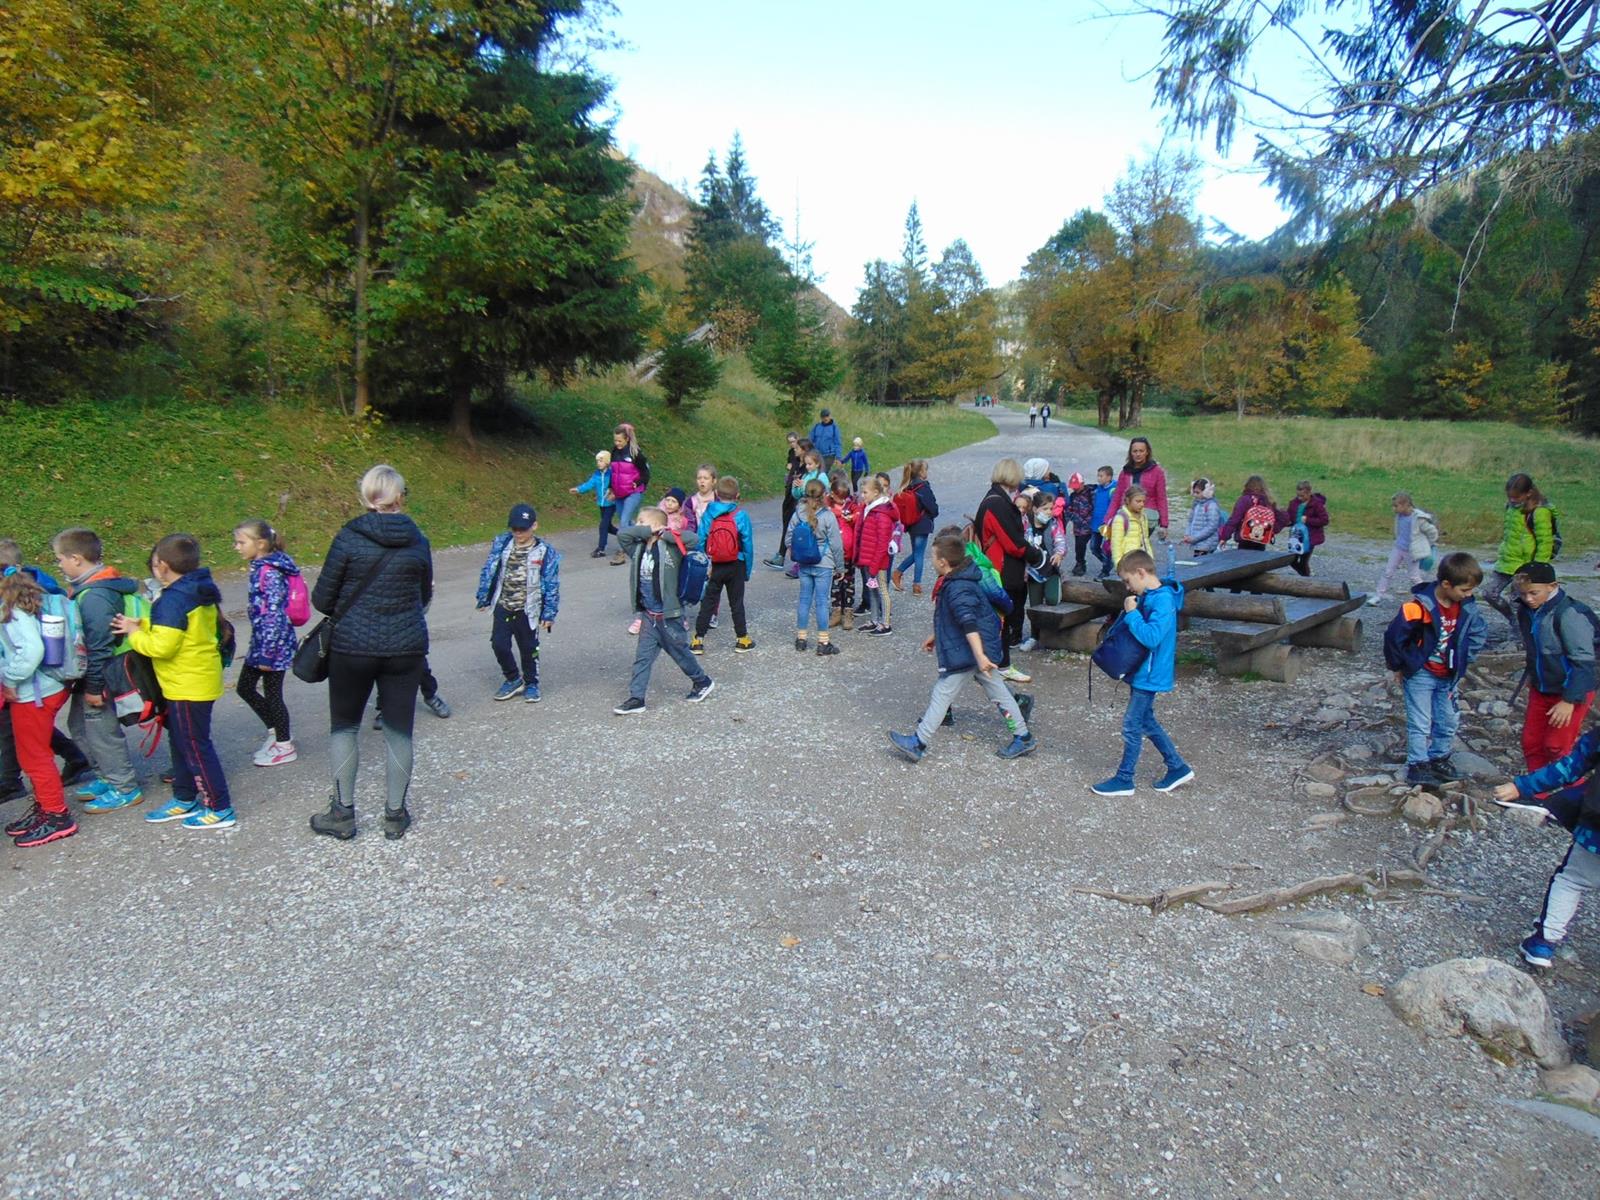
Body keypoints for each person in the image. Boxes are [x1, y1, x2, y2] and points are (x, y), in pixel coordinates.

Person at [305, 465, 433, 842]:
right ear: (400, 497)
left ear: (365, 496)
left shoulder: (348, 538)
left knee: (345, 726)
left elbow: (322, 600)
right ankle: (394, 815)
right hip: (406, 647)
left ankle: (342, 813)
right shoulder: (418, 540)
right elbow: (424, 595)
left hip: (351, 648)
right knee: (399, 731)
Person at [110, 533, 235, 830]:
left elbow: (162, 647)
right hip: (194, 679)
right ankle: (184, 796)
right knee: (181, 741)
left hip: (187, 685)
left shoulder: (173, 599)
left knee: (195, 746)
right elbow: (179, 629)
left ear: (162, 565)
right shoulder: (195, 588)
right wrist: (143, 624)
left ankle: (219, 807)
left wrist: (134, 634)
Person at [887, 532, 1036, 762]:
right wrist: (936, 635)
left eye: (933, 557)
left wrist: (979, 655)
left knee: (943, 692)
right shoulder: (959, 579)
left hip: (972, 650)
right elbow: (955, 618)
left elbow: (968, 622)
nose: (931, 560)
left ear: (943, 562)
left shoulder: (958, 587)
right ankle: (1023, 737)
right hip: (978, 647)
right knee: (998, 691)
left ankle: (918, 742)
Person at [50, 527, 143, 811]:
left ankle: (124, 786)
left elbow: (100, 646)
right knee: (79, 725)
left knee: (101, 730)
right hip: (94, 674)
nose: (59, 565)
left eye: (60, 559)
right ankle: (105, 776)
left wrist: (94, 687)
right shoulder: (89, 588)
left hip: (103, 675)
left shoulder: (95, 596)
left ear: (76, 559)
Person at [1491, 732, 1600, 969]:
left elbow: (1570, 767)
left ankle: (1544, 942)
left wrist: (1522, 786)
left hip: (1596, 834)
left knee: (1571, 881)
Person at [1090, 549, 1194, 796]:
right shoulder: (1152, 596)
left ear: (1140, 572)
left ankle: (1125, 779)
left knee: (1131, 725)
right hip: (1143, 672)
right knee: (1146, 721)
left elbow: (1152, 637)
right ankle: (1177, 767)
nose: (1128, 587)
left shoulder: (1163, 600)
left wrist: (1131, 614)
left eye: (1128, 581)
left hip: (1150, 674)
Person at [1382, 552, 1487, 786]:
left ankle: (1439, 758)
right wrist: (1398, 666)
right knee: (1420, 721)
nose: (1469, 595)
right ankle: (1417, 765)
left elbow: (1478, 632)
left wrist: (1465, 659)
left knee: (1448, 719)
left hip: (1449, 675)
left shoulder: (1468, 607)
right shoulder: (1417, 607)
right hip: (1421, 673)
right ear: (1446, 584)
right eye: (1465, 590)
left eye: (1471, 590)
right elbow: (1394, 637)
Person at [0, 538, 91, 800]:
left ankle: (41, 803)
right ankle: (71, 760)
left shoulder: (16, 601)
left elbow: (31, 648)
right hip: (40, 682)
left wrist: (10, 679)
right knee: (26, 732)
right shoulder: (29, 587)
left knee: (27, 743)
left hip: (32, 684)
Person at [0, 571, 78, 846]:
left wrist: (10, 679)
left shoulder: (11, 611)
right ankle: (46, 806)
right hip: (42, 690)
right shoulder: (22, 601)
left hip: (33, 694)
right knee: (31, 754)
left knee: (35, 757)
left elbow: (32, 649)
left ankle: (57, 816)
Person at [613, 507, 714, 713]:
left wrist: (666, 532)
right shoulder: (638, 549)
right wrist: (645, 531)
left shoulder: (671, 547)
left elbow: (694, 539)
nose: (638, 526)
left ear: (657, 524)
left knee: (679, 652)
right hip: (649, 615)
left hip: (670, 615)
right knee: (642, 657)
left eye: (642, 522)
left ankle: (702, 681)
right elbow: (623, 535)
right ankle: (637, 698)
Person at [1511, 562, 1596, 771]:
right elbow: (1534, 649)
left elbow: (1584, 661)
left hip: (1572, 690)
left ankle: (1567, 787)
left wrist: (1569, 700)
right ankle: (1536, 786)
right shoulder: (1526, 611)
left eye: (1534, 593)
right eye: (1522, 594)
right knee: (1531, 742)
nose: (1528, 599)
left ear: (1553, 586)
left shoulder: (1570, 615)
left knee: (1557, 746)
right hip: (1542, 687)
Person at [232, 519, 302, 768]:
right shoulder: (261, 567)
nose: (237, 547)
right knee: (245, 688)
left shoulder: (270, 572)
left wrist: (268, 654)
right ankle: (276, 733)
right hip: (262, 641)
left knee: (273, 694)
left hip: (273, 645)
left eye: (241, 542)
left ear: (260, 544)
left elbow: (274, 615)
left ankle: (284, 745)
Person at [475, 503, 560, 704]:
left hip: (528, 609)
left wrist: (549, 613)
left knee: (529, 648)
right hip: (503, 604)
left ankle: (531, 683)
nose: (519, 533)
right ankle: (513, 678)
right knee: (499, 644)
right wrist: (483, 596)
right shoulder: (502, 544)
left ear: (534, 526)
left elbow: (551, 583)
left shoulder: (544, 551)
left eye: (523, 529)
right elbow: (489, 570)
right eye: (515, 529)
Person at [974, 457, 1043, 684]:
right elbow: (1013, 542)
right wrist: (1036, 555)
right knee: (1001, 619)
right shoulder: (998, 504)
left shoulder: (994, 499)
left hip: (998, 565)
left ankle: (993, 663)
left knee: (998, 618)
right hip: (1000, 568)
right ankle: (1000, 664)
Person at [1483, 472, 1558, 633]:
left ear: (1528, 493)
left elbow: (1545, 542)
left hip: (1526, 565)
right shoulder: (1511, 508)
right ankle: (1513, 620)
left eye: (1516, 497)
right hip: (1506, 562)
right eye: (1510, 497)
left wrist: (1538, 568)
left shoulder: (1540, 512)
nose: (1512, 500)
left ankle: (1520, 637)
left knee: (1516, 602)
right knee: (1489, 593)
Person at [692, 475, 756, 654]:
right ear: (737, 495)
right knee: (736, 602)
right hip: (737, 563)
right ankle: (742, 639)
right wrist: (747, 571)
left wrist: (705, 563)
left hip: (715, 564)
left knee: (709, 601)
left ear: (717, 494)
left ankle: (698, 639)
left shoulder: (709, 513)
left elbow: (701, 538)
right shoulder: (741, 515)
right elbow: (748, 545)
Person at [788, 479, 844, 655]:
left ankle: (801, 639)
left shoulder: (798, 514)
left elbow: (788, 539)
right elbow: (836, 545)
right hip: (824, 563)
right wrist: (840, 567)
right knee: (821, 602)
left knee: (804, 600)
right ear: (824, 495)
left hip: (804, 563)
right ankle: (823, 642)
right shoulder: (828, 516)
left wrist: (798, 553)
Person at [1367, 491, 1439, 607]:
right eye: (1393, 506)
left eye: (1396, 506)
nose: (1394, 509)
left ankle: (1425, 598)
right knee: (1388, 572)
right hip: (1398, 548)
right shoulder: (1399, 516)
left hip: (1411, 552)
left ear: (1406, 505)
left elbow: (1432, 532)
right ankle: (1378, 595)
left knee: (1414, 576)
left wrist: (1428, 544)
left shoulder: (1418, 518)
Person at [1018, 487, 1067, 652]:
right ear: (1034, 509)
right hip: (1033, 572)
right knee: (1035, 605)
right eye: (1045, 509)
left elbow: (1060, 540)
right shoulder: (1026, 525)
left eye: (1051, 509)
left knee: (1053, 599)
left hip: (1051, 569)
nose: (1049, 512)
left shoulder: (1053, 524)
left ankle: (1051, 633)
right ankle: (1034, 636)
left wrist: (1059, 553)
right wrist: (1024, 569)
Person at [855, 475, 897, 637]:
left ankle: (886, 623)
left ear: (876, 492)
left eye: (865, 492)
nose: (862, 495)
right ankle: (874, 619)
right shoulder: (869, 510)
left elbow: (882, 544)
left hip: (878, 562)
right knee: (871, 589)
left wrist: (874, 565)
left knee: (882, 590)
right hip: (868, 559)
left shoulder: (882, 514)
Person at [1106, 438, 1170, 541]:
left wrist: (1164, 524)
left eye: (1141, 451)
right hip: (1126, 515)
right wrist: (1108, 519)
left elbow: (1161, 498)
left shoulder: (1157, 472)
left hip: (1147, 516)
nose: (1138, 454)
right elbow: (1117, 496)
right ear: (1130, 453)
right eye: (1135, 451)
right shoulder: (1125, 472)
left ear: (1147, 452)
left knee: (1135, 544)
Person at [892, 460, 939, 596]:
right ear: (921, 472)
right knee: (919, 554)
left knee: (916, 553)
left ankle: (898, 573)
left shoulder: (907, 486)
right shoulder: (923, 488)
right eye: (925, 470)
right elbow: (933, 508)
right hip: (922, 525)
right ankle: (916, 584)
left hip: (911, 525)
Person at [606, 424, 650, 566]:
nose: (617, 443)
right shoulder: (614, 452)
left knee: (624, 522)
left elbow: (646, 473)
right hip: (619, 493)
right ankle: (645, 536)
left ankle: (621, 552)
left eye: (620, 441)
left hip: (633, 492)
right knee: (627, 522)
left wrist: (637, 483)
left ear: (627, 439)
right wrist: (611, 489)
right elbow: (613, 473)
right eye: (615, 440)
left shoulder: (635, 454)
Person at [826, 471, 861, 631]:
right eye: (840, 498)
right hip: (833, 554)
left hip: (849, 553)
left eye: (845, 498)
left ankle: (848, 612)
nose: (843, 501)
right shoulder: (828, 507)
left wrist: (852, 517)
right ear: (833, 495)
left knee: (849, 583)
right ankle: (836, 611)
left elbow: (859, 515)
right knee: (835, 584)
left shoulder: (851, 506)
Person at [765, 432, 805, 567]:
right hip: (789, 494)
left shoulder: (807, 465)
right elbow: (791, 470)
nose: (793, 447)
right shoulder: (793, 455)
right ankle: (782, 556)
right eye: (790, 443)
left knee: (796, 528)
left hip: (798, 499)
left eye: (795, 443)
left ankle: (792, 558)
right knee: (787, 526)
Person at [568, 450, 615, 559]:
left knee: (603, 526)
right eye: (597, 461)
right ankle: (627, 535)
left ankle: (601, 549)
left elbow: (616, 485)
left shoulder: (612, 474)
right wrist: (579, 489)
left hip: (611, 503)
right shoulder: (597, 474)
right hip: (602, 504)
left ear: (607, 462)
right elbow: (589, 484)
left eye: (601, 461)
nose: (598, 463)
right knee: (608, 527)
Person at [1281, 480, 1330, 576]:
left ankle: (1306, 579)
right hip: (1296, 537)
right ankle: (1306, 577)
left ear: (1309, 493)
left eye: (1302, 496)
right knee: (1292, 560)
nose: (1300, 498)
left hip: (1310, 538)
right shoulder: (1293, 503)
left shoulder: (1317, 504)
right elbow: (1290, 518)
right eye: (1298, 495)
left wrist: (1308, 520)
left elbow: (1324, 520)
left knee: (1303, 561)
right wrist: (1284, 520)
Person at [1218, 475, 1277, 550]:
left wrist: (1224, 537)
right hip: (1261, 538)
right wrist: (1273, 531)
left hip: (1244, 538)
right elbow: (1281, 517)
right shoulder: (1268, 501)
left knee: (1244, 556)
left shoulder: (1244, 500)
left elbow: (1234, 520)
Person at [1108, 485, 1153, 568]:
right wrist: (1118, 565)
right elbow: (1116, 545)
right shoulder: (1120, 518)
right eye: (1138, 501)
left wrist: (1150, 558)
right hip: (1128, 562)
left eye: (1143, 501)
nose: (1142, 504)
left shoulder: (1143, 516)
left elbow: (1145, 539)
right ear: (1128, 500)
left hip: (1143, 559)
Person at [1064, 472, 1095, 577]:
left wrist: (1086, 522)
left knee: (1087, 545)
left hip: (1088, 526)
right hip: (1077, 528)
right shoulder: (1073, 496)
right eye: (1073, 487)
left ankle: (1081, 564)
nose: (1075, 489)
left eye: (1076, 486)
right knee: (1079, 547)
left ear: (1082, 484)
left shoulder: (1091, 494)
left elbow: (1094, 510)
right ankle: (1080, 563)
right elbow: (1068, 510)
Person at [1181, 479, 1221, 557]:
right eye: (1194, 492)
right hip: (1198, 543)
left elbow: (1212, 526)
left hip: (1207, 545)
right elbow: (1190, 521)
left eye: (1198, 492)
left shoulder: (1212, 506)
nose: (1195, 495)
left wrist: (1194, 538)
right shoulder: (1196, 504)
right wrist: (1187, 534)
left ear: (1206, 492)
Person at [1090, 466, 1117, 578]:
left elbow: (1115, 507)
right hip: (1096, 523)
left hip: (1107, 524)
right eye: (1098, 476)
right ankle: (1108, 563)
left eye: (1101, 476)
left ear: (1109, 477)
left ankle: (1105, 570)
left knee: (1107, 548)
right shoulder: (1097, 489)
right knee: (1094, 547)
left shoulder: (1114, 490)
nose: (1099, 478)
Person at [682, 464, 719, 533]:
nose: (702, 481)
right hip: (697, 537)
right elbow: (690, 525)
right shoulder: (691, 502)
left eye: (706, 478)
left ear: (714, 481)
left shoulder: (719, 500)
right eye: (699, 478)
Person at [809, 408, 843, 473]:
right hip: (816, 454)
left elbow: (837, 443)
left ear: (830, 416)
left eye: (827, 416)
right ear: (821, 418)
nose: (825, 418)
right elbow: (810, 439)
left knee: (823, 472)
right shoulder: (817, 426)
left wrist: (838, 457)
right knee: (814, 472)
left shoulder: (834, 428)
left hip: (829, 456)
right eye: (823, 417)